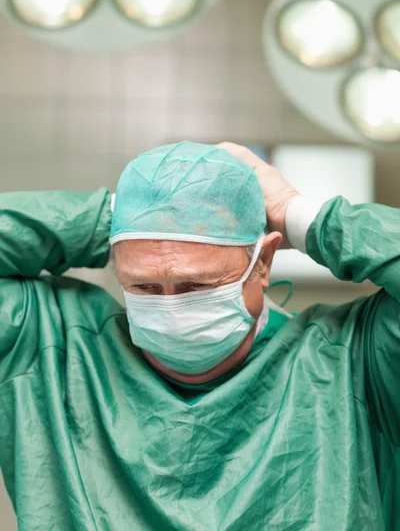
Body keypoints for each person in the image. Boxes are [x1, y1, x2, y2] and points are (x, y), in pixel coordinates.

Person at [0, 141, 399, 531]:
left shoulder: (355, 360)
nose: (171, 310)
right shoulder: (49, 343)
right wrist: (124, 216)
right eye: (144, 287)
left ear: (262, 263)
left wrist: (301, 215)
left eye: (196, 286)